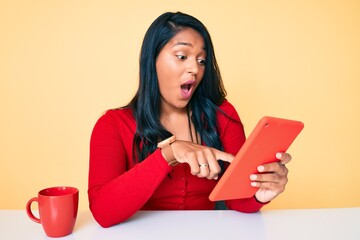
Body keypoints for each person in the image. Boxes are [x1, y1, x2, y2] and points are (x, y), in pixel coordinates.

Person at [88, 11, 292, 228]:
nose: (195, 69)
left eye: (201, 60)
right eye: (182, 56)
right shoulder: (112, 125)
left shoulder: (223, 114)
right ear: (152, 60)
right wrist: (169, 154)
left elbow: (238, 201)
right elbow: (102, 212)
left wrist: (260, 194)